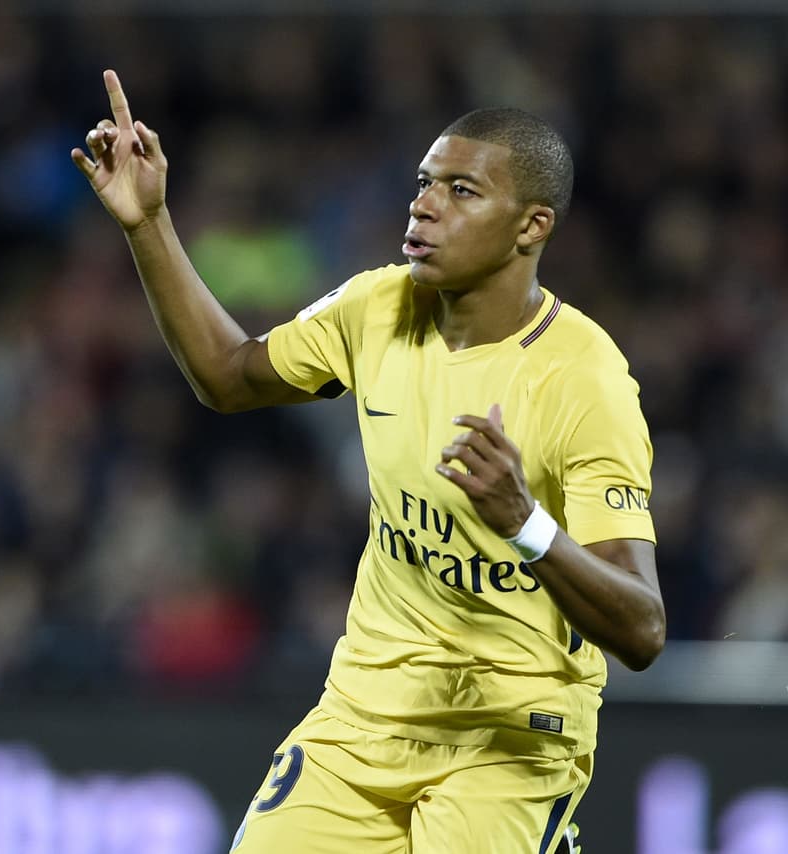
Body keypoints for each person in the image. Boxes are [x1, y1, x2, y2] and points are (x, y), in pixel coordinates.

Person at [71, 70, 663, 853]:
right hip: (365, 716)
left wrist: (524, 523)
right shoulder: (377, 307)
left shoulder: (586, 383)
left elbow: (642, 627)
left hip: (509, 738)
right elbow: (227, 375)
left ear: (532, 227)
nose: (424, 205)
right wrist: (148, 225)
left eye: (461, 191)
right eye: (424, 184)